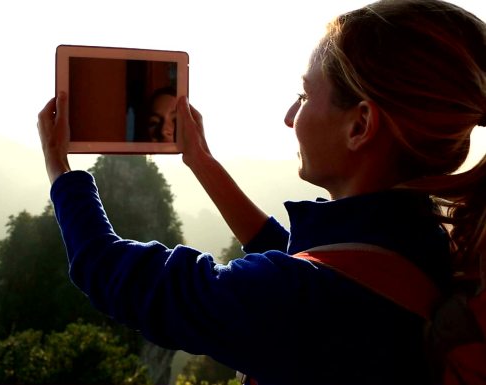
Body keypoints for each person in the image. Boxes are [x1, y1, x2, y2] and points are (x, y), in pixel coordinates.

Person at [37, 0, 486, 383]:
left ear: (360, 125)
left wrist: (59, 168)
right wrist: (203, 162)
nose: (291, 116)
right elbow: (308, 260)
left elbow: (109, 270)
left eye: (306, 95)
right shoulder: (425, 242)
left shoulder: (293, 301)